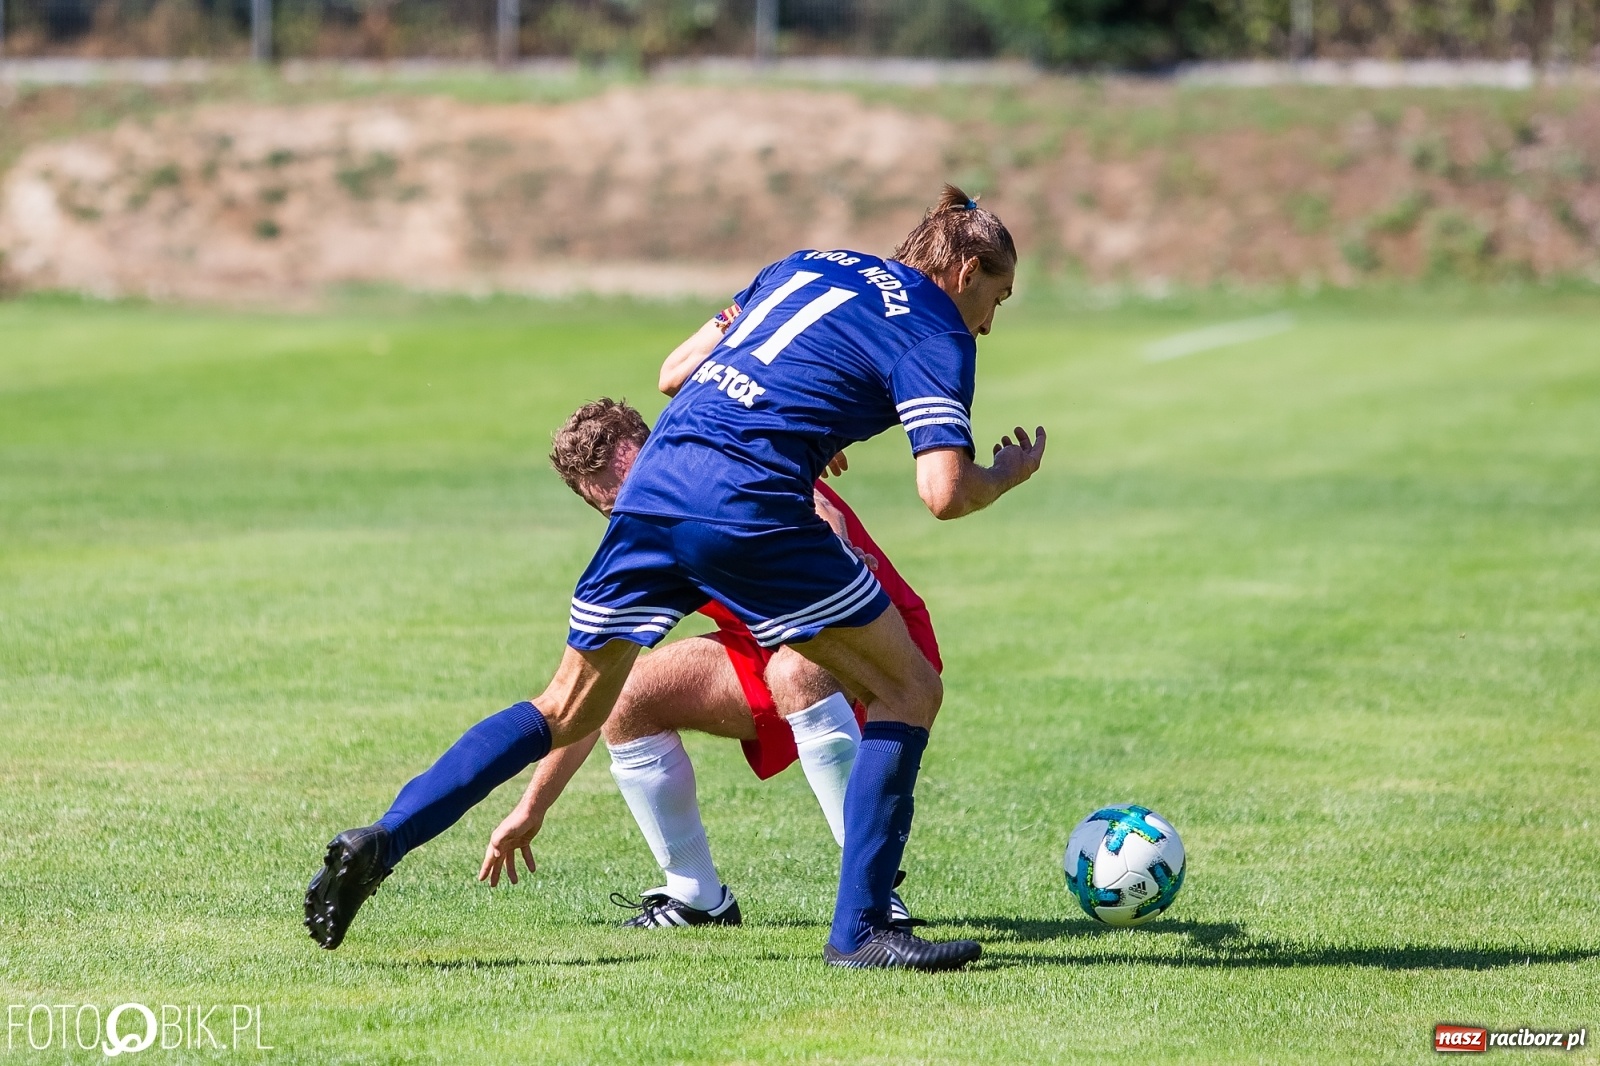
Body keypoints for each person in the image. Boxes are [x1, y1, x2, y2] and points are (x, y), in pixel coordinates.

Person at [306, 184, 1046, 971]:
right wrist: (1004, 473)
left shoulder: (810, 263)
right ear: (966, 271)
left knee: (562, 707)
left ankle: (384, 838)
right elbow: (943, 493)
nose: (988, 323)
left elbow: (677, 371)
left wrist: (798, 414)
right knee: (910, 689)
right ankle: (862, 928)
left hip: (659, 481)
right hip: (747, 504)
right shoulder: (936, 330)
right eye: (996, 300)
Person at [477, 397, 942, 931]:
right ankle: (695, 894)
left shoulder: (723, 463)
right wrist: (532, 807)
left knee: (795, 673)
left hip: (879, 636)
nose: (638, 508)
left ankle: (872, 896)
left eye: (638, 487)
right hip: (770, 648)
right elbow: (584, 695)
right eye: (614, 508)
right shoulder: (642, 537)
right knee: (626, 698)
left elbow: (822, 510)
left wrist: (838, 555)